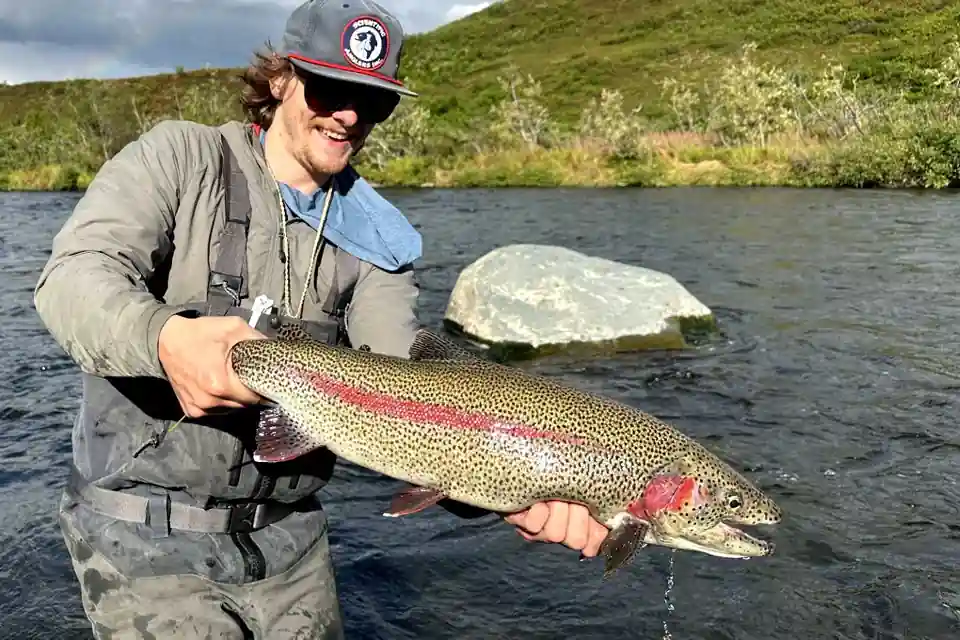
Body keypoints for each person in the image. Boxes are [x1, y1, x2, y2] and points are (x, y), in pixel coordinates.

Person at [33, 1, 608, 637]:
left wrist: (518, 485)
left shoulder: (379, 240)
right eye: (331, 89)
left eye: (374, 101)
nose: (350, 115)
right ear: (280, 80)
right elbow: (72, 280)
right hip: (139, 528)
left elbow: (409, 400)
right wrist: (164, 338)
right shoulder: (180, 160)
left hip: (290, 541)